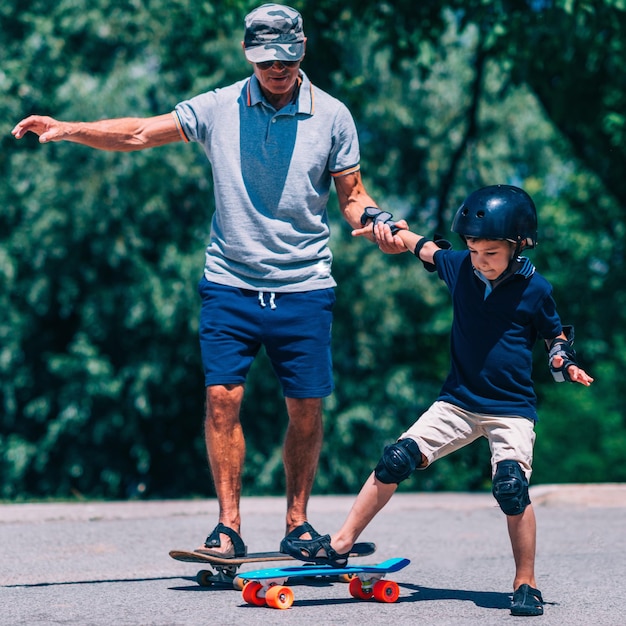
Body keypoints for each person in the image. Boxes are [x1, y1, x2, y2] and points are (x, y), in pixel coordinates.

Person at [12, 4, 397, 557]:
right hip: (230, 283)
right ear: (248, 54)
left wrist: (376, 223)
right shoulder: (218, 107)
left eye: (287, 59)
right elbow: (141, 132)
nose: (277, 70)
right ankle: (228, 527)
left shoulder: (333, 115)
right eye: (266, 61)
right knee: (221, 398)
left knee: (306, 407)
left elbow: (354, 198)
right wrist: (69, 127)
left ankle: (297, 523)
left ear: (302, 50)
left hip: (305, 285)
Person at [281, 184, 594, 617]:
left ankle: (526, 583)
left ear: (518, 245)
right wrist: (383, 226)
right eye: (473, 250)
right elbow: (422, 247)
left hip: (511, 411)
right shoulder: (461, 267)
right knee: (394, 459)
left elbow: (553, 334)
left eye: (490, 254)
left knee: (510, 488)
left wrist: (563, 359)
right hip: (458, 403)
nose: (480, 262)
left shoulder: (535, 289)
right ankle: (339, 546)